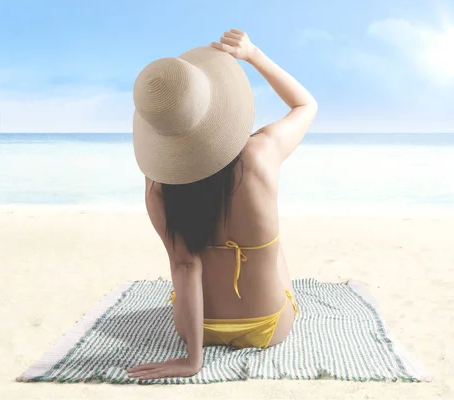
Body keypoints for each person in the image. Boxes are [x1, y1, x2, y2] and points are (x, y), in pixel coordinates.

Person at [127, 29, 317, 380]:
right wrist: (254, 54)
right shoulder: (262, 153)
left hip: (195, 329)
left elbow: (186, 268)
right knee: (276, 253)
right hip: (268, 326)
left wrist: (193, 359)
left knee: (186, 260)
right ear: (220, 109)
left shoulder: (157, 186)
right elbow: (305, 104)